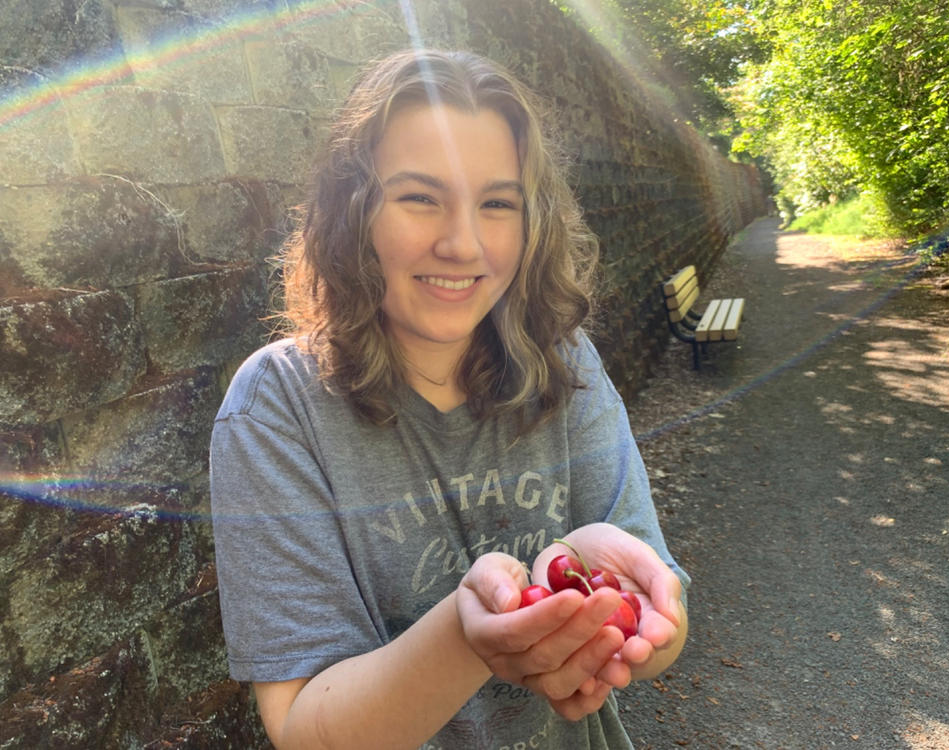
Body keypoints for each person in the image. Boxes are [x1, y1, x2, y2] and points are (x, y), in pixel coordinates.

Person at [210, 48, 690, 750]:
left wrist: (637, 621)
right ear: (354, 212)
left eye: (497, 204)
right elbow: (303, 726)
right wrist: (469, 636)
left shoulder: (564, 359)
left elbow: (660, 621)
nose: (463, 243)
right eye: (420, 198)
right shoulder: (277, 407)